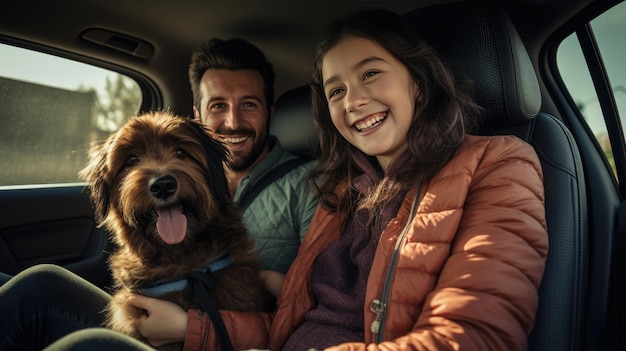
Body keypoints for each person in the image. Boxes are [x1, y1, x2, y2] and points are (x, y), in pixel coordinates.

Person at [10, 8, 548, 351]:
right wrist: (192, 329)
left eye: (370, 74)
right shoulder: (343, 191)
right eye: (334, 90)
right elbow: (286, 325)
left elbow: (476, 338)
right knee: (39, 287)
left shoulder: (498, 163)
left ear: (419, 80)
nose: (353, 100)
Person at [0, 38, 318, 350]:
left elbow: (318, 311)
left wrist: (190, 327)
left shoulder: (311, 183)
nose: (233, 121)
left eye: (248, 104)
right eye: (218, 105)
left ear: (271, 111)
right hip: (150, 314)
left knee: (89, 342)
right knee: (41, 284)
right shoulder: (197, 168)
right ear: (197, 113)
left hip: (227, 334)